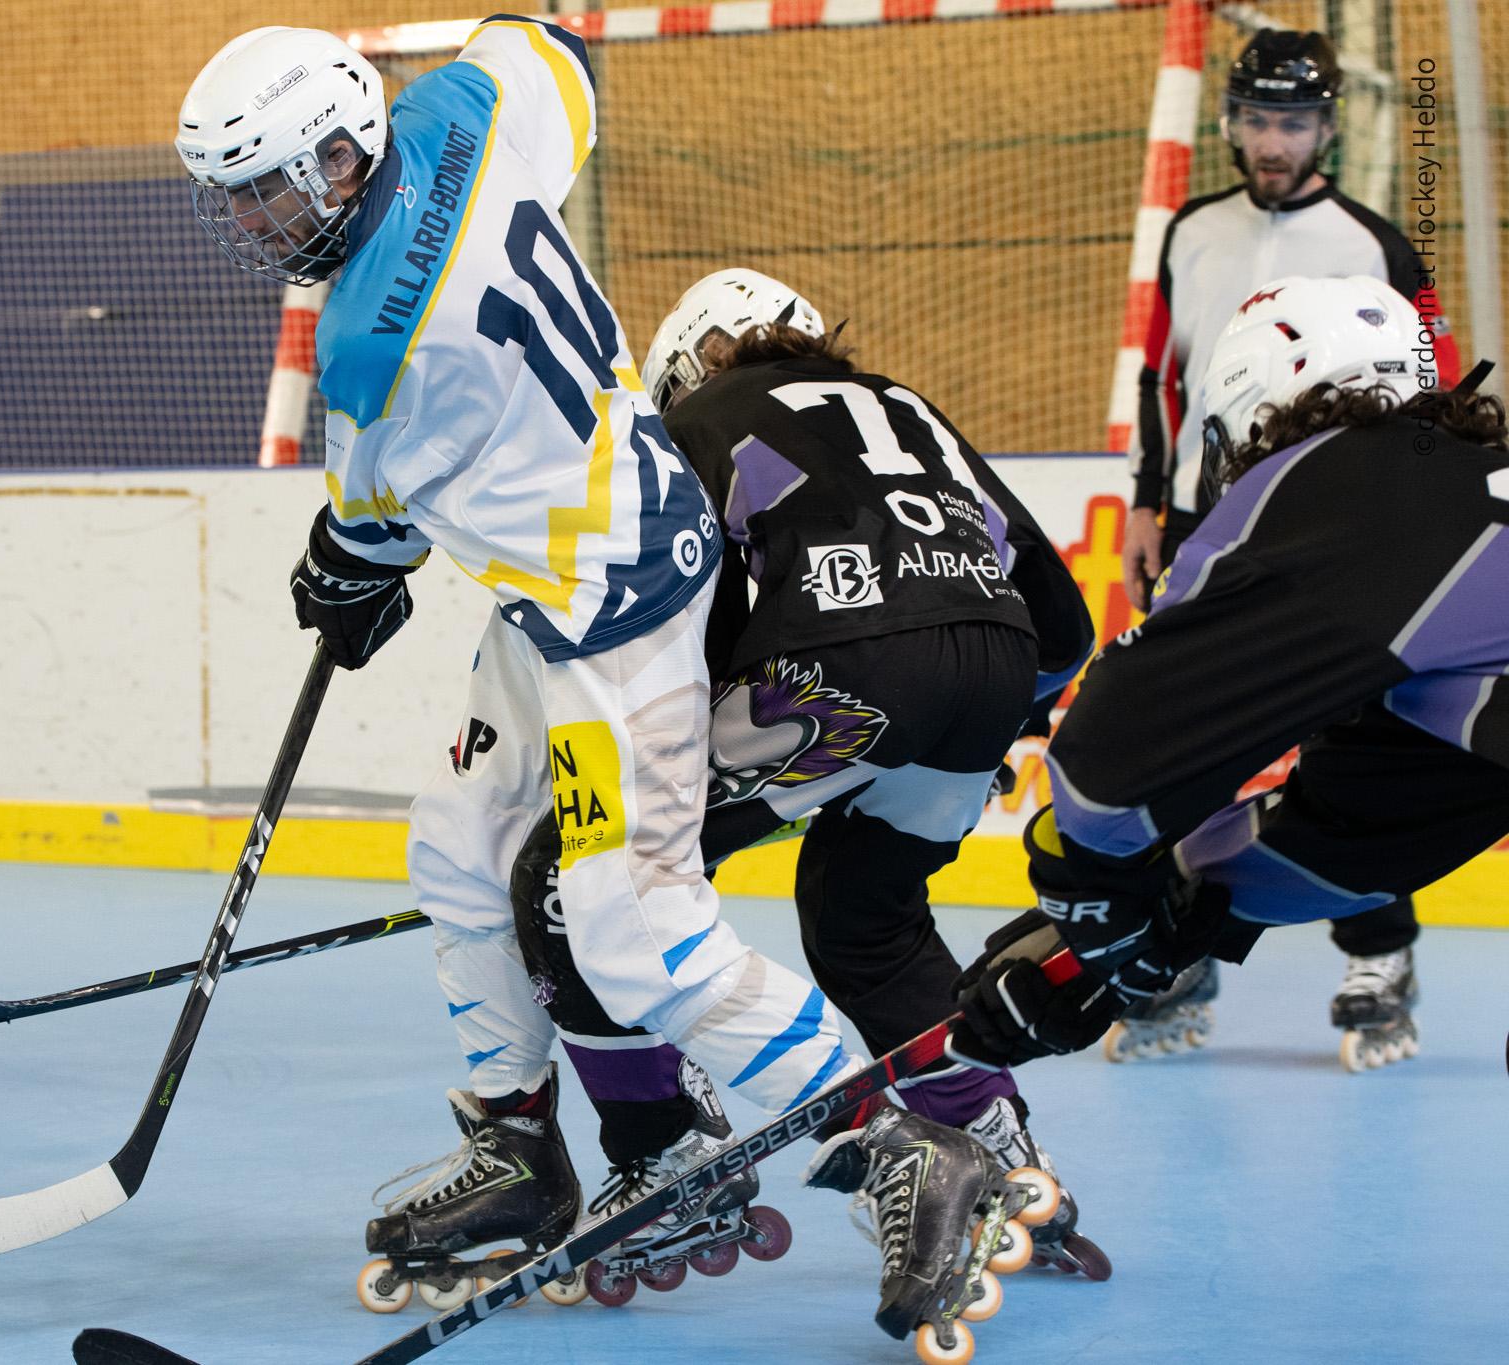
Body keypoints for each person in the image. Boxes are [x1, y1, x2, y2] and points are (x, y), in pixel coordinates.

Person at [177, 21, 1040, 1353]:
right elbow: (553, 49)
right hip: (566, 573)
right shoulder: (461, 111)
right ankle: (515, 1142)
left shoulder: (372, 352)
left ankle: (905, 1146)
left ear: (344, 154)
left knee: (631, 925)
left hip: (615, 610)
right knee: (456, 844)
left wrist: (342, 575)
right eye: (233, 197)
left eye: (269, 190)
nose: (252, 221)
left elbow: (372, 527)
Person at [506, 269, 1107, 1297]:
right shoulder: (905, 404)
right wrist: (981, 713)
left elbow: (684, 618)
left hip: (837, 676)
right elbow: (1062, 623)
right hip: (994, 671)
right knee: (866, 917)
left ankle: (665, 1155)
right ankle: (1002, 1154)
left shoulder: (691, 419)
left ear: (687, 364)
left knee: (570, 870)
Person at [951, 274, 1503, 1082]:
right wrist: (1186, 900)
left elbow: (1104, 777)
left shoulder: (1323, 485)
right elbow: (1363, 832)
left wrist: (1092, 907)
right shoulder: (1460, 517)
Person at [1116, 29, 1458, 1063]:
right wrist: (1146, 502)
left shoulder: (1375, 245)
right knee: (1188, 735)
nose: (1273, 141)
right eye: (1258, 119)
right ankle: (1179, 955)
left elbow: (1434, 390)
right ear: (1230, 122)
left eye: (1294, 122)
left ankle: (1378, 955)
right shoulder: (1189, 232)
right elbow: (1161, 378)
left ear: (1326, 130)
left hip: (1337, 532)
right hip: (1203, 519)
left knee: (1355, 741)